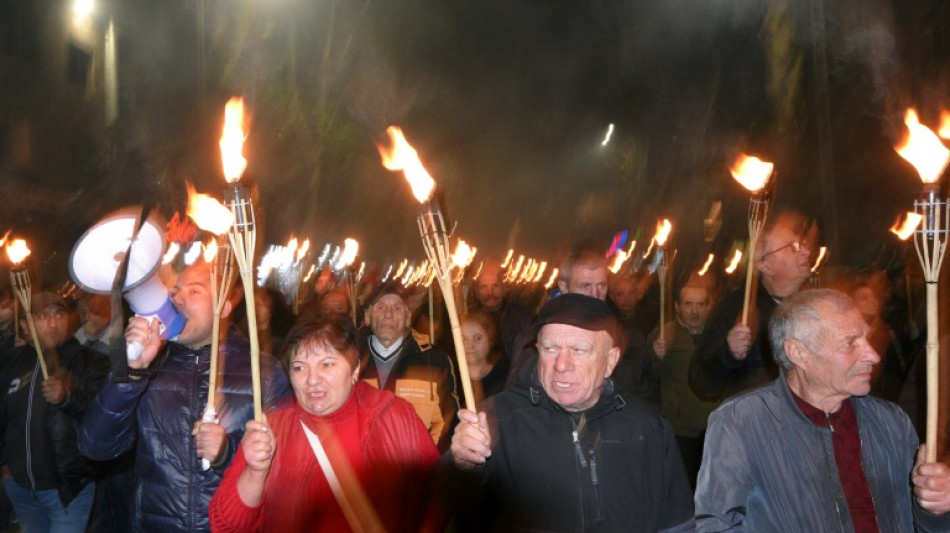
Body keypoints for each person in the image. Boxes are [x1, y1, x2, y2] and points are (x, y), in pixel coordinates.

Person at [695, 289, 950, 532]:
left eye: (867, 339)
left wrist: (935, 508)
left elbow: (921, 524)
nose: (873, 355)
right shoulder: (741, 423)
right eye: (851, 343)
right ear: (799, 353)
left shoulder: (890, 422)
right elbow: (717, 525)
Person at [438, 294, 694, 531]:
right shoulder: (498, 417)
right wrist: (462, 464)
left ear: (611, 360)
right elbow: (450, 502)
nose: (561, 364)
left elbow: (677, 523)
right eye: (550, 348)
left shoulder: (648, 428)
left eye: (579, 350)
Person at [78, 263, 292, 532]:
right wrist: (131, 371)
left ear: (223, 307)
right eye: (175, 291)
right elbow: (95, 446)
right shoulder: (149, 366)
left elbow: (289, 463)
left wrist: (228, 452)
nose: (178, 299)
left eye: (194, 292)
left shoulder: (264, 371)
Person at [208, 315, 444, 532]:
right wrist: (256, 471)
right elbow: (226, 526)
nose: (312, 379)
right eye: (299, 367)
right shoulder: (273, 428)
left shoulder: (393, 416)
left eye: (327, 364)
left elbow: (438, 499)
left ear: (355, 370)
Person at [0, 291, 110, 533]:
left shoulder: (90, 361)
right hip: (20, 488)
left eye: (59, 314)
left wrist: (67, 398)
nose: (52, 323)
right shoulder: (11, 362)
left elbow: (105, 421)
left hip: (66, 491)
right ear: (26, 324)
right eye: (42, 316)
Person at [509, 248, 660, 408]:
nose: (595, 294)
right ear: (564, 287)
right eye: (585, 286)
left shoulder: (629, 339)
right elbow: (517, 403)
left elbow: (648, 398)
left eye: (601, 285)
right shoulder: (534, 340)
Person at [690, 210, 814, 399]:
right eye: (793, 247)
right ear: (765, 266)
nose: (806, 251)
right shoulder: (734, 306)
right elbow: (702, 383)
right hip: (755, 423)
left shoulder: (816, 305)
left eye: (802, 244)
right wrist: (730, 354)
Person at [359, 281, 459, 450]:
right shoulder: (351, 361)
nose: (388, 314)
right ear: (367, 316)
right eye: (380, 307)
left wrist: (428, 464)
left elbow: (448, 423)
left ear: (408, 318)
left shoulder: (434, 361)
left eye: (397, 308)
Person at [650, 279, 719, 487]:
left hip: (714, 429)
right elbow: (650, 380)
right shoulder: (662, 336)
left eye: (700, 304)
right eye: (688, 304)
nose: (694, 310)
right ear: (677, 307)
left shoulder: (719, 335)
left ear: (709, 306)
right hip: (681, 433)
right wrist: (657, 356)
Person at [470, 261, 533, 365]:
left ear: (505, 289)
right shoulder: (468, 321)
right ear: (476, 292)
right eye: (483, 287)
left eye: (495, 286)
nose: (490, 292)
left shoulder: (521, 317)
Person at [460, 310, 507, 404]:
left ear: (490, 340)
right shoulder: (452, 378)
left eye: (477, 338)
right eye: (464, 339)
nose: (470, 346)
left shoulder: (504, 378)